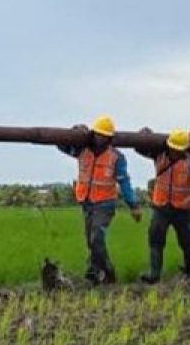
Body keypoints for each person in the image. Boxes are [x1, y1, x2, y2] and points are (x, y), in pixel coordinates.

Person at [58, 115, 142, 284]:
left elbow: (124, 181)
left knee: (96, 237)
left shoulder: (116, 157)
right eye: (97, 134)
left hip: (105, 203)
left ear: (109, 138)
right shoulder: (82, 150)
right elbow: (61, 144)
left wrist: (133, 205)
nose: (99, 138)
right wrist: (74, 131)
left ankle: (108, 274)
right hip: (87, 202)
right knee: (91, 240)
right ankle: (94, 272)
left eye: (103, 135)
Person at [135, 128, 190, 283]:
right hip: (161, 207)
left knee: (188, 242)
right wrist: (144, 134)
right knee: (156, 240)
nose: (175, 152)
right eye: (172, 149)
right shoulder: (159, 156)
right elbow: (139, 148)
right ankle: (154, 274)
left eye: (178, 150)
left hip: (182, 209)